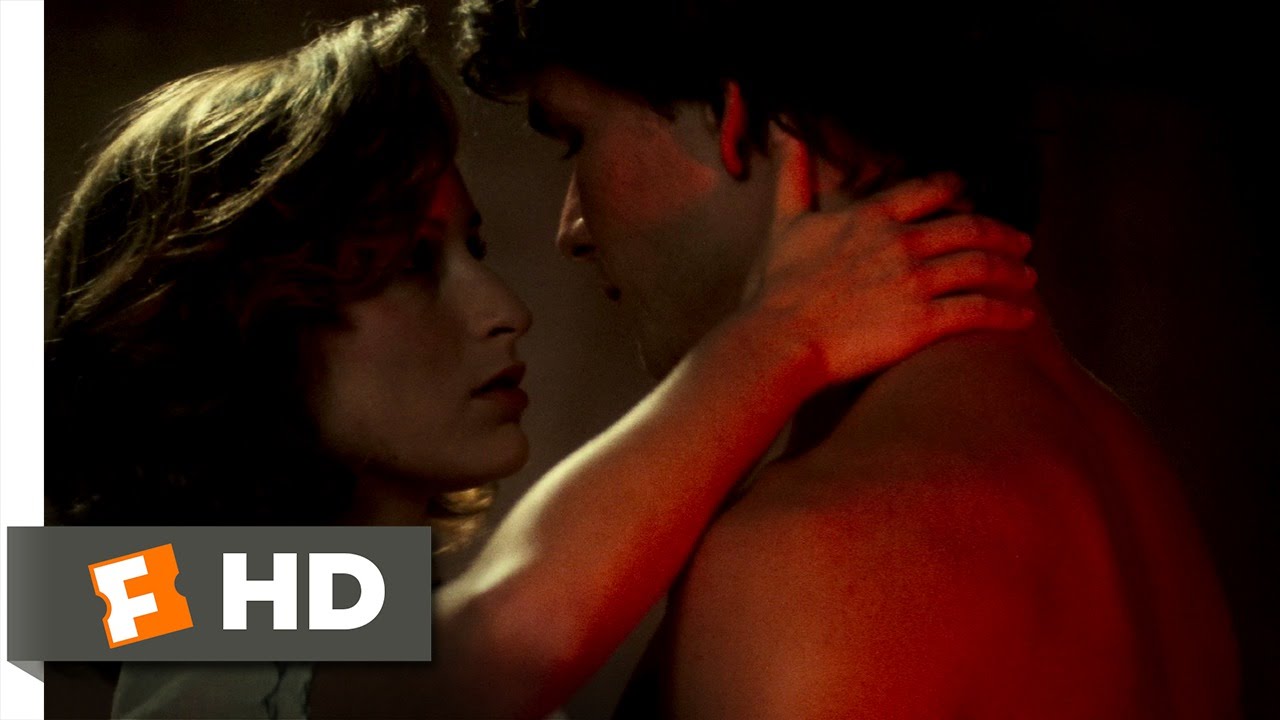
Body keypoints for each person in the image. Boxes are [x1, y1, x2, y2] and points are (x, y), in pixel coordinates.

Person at [43, 6, 1038, 719]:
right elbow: (507, 646)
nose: (504, 311)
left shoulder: (379, 616)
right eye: (409, 264)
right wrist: (778, 336)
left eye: (472, 249)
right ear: (244, 322)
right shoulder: (196, 633)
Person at [456, 0, 1243, 717]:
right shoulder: (1144, 496)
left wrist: (765, 346)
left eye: (575, 140)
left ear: (732, 116)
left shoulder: (802, 557)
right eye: (411, 263)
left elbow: (454, 657)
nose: (568, 233)